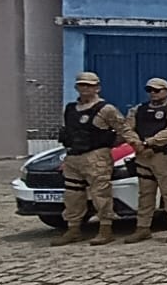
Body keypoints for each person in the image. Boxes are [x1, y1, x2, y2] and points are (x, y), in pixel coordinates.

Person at [53, 70, 125, 246]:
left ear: (97, 88)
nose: (85, 88)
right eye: (81, 85)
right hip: (73, 157)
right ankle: (73, 229)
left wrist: (108, 145)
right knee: (73, 195)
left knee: (100, 194)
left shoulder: (106, 109)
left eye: (89, 85)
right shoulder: (70, 108)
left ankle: (105, 229)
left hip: (96, 156)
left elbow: (123, 130)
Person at [125, 77, 167, 244]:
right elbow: (127, 128)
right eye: (150, 90)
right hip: (143, 156)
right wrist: (136, 143)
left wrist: (150, 142)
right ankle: (143, 227)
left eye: (157, 90)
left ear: (166, 91)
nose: (153, 93)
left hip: (163, 156)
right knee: (145, 193)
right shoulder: (139, 110)